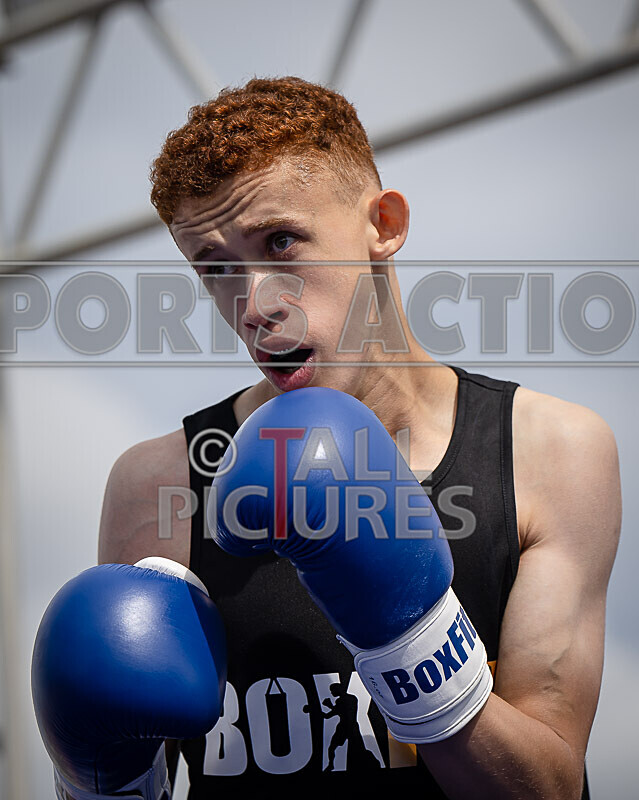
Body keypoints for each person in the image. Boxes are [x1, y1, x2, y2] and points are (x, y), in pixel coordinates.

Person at [94, 77, 620, 797]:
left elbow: (547, 787)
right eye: (215, 269)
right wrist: (97, 779)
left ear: (384, 224)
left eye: (280, 242)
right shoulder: (159, 484)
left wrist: (410, 643)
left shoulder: (547, 451)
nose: (252, 304)